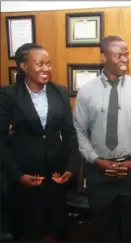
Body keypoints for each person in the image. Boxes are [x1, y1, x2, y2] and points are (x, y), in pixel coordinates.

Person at [73, 35, 131, 242]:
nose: (124, 59)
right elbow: (79, 130)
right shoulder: (86, 91)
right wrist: (96, 160)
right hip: (99, 173)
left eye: (126, 55)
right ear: (103, 57)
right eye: (118, 55)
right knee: (104, 230)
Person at [0, 43, 80, 242]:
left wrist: (70, 167)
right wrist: (17, 176)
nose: (46, 68)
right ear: (24, 66)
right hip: (24, 175)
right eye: (39, 64)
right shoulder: (9, 95)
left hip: (54, 176)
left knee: (52, 229)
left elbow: (70, 133)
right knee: (27, 231)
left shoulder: (59, 92)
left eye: (48, 64)